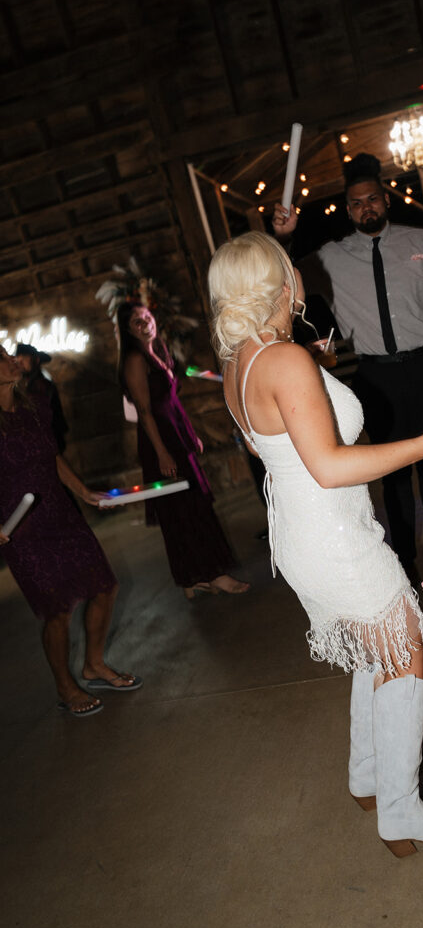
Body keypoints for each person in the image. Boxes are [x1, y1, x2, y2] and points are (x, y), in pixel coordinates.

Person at [208, 230, 423, 857]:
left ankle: (370, 776)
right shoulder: (285, 359)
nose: (299, 269)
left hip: (303, 536)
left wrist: (317, 382)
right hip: (334, 536)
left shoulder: (245, 358)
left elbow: (268, 447)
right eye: (288, 264)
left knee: (371, 651)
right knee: (405, 653)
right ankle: (401, 810)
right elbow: (329, 465)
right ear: (279, 283)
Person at [273, 152, 423, 582]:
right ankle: (404, 561)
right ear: (347, 210)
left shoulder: (420, 242)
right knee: (391, 472)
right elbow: (282, 277)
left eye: (372, 199)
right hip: (375, 375)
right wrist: (284, 238)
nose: (366, 207)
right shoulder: (330, 257)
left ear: (385, 200)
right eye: (356, 203)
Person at [0, 345, 141, 717]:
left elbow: (53, 457)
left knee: (104, 586)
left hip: (61, 513)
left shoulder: (31, 406)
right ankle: (65, 687)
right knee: (56, 610)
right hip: (21, 529)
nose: (14, 360)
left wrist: (84, 492)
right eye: (3, 357)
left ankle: (93, 665)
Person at [116, 302, 249, 598]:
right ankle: (213, 574)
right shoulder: (135, 360)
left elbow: (172, 401)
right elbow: (145, 411)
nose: (144, 324)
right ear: (127, 329)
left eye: (146, 317)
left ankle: (191, 578)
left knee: (188, 508)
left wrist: (190, 435)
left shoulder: (157, 350)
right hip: (159, 439)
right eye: (136, 322)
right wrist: (162, 452)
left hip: (174, 433)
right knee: (187, 508)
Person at [15, 342, 69, 452]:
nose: (20, 361)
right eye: (18, 358)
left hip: (48, 440)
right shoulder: (22, 384)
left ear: (36, 360)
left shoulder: (42, 384)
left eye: (25, 358)